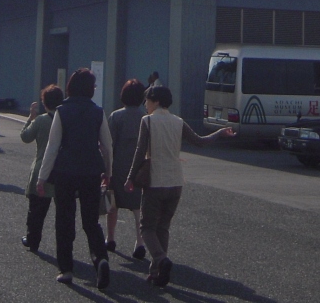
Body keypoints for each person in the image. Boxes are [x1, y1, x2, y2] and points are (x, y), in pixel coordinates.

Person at [127, 83, 235, 287]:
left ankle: (161, 260)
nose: (145, 104)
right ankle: (156, 272)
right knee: (163, 227)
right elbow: (200, 141)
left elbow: (140, 152)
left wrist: (130, 178)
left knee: (147, 227)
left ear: (155, 101)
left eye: (147, 100)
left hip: (155, 181)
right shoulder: (178, 121)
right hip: (176, 182)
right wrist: (220, 132)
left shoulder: (147, 121)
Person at [37, 67, 112, 289]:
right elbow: (107, 146)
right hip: (91, 170)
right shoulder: (98, 112)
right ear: (90, 89)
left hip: (65, 171)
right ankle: (100, 258)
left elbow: (52, 147)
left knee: (64, 219)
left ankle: (66, 269)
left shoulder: (62, 111)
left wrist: (42, 177)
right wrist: (108, 172)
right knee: (91, 221)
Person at [106, 79, 147, 258]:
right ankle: (140, 242)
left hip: (118, 166)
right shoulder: (145, 117)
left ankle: (110, 238)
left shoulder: (116, 116)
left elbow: (109, 145)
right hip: (139, 168)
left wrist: (105, 169)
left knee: (112, 203)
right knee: (138, 207)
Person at [21, 84, 63, 253]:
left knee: (36, 210)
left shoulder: (41, 120)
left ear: (44, 102)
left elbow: (25, 137)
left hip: (41, 168)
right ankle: (63, 246)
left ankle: (33, 239)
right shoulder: (65, 120)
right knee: (63, 212)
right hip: (61, 169)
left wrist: (30, 117)